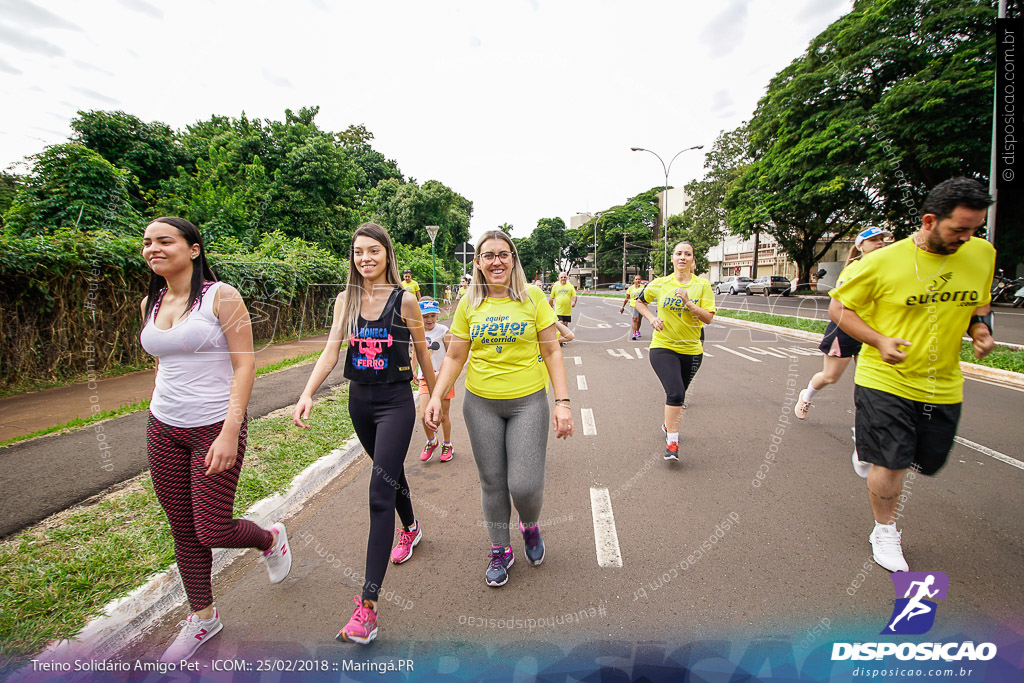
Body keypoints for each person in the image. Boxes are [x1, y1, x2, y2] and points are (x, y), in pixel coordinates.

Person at [140, 217, 292, 663]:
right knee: (183, 529)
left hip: (214, 427)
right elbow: (162, 361)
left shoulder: (222, 297)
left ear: (193, 249)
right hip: (163, 426)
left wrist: (230, 430)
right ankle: (203, 618)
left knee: (210, 528)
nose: (153, 248)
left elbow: (245, 366)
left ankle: (269, 539)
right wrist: (163, 406)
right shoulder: (149, 301)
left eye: (164, 240)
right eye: (147, 242)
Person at [829, 178, 995, 573]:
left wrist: (981, 331)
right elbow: (839, 310)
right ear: (929, 221)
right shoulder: (881, 262)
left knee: (929, 460)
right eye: (959, 230)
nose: (966, 238)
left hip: (943, 382)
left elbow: (979, 305)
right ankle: (884, 530)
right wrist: (879, 340)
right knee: (893, 461)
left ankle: (870, 451)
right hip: (885, 378)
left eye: (974, 229)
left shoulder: (981, 254)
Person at [292, 223, 435, 644]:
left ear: (388, 254)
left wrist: (434, 397)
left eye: (373, 251)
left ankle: (367, 609)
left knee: (378, 492)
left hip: (395, 402)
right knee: (388, 474)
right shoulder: (346, 300)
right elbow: (331, 350)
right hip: (360, 401)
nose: (365, 258)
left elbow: (423, 351)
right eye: (358, 252)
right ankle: (410, 527)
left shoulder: (404, 300)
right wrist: (306, 393)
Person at [424, 230, 573, 588]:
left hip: (528, 402)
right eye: (488, 255)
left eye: (503, 254)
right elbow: (456, 355)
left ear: (513, 259)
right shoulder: (469, 302)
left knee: (523, 485)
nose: (496, 261)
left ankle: (530, 526)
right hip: (481, 404)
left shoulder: (534, 297)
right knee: (492, 482)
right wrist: (435, 395)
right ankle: (500, 550)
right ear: (477, 263)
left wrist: (562, 402)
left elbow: (552, 351)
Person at [794, 227, 891, 420]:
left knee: (871, 382)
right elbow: (838, 307)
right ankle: (806, 396)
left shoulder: (892, 269)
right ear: (860, 246)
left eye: (882, 239)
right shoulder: (853, 270)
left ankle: (867, 424)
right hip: (845, 329)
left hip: (874, 332)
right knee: (830, 377)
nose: (880, 243)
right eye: (873, 240)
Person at [634, 241, 716, 461]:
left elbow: (708, 318)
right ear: (672, 258)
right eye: (678, 253)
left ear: (692, 260)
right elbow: (640, 302)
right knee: (676, 393)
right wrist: (651, 318)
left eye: (687, 254)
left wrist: (690, 304)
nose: (682, 257)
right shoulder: (661, 284)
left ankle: (667, 424)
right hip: (663, 347)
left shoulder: (702, 285)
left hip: (692, 350)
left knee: (678, 395)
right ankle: (672, 442)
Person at [411, 297, 455, 463]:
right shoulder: (416, 330)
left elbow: (452, 355)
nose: (429, 320)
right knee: (423, 415)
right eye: (425, 316)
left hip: (443, 378)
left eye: (432, 316)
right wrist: (413, 368)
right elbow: (416, 352)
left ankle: (447, 444)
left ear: (437, 315)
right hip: (424, 379)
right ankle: (431, 441)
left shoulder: (444, 330)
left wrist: (445, 374)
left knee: (443, 415)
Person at [620, 275, 645, 340]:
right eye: (636, 279)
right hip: (633, 305)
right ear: (634, 280)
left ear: (641, 280)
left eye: (639, 279)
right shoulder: (630, 288)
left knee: (639, 320)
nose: (637, 280)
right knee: (635, 319)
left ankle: (637, 331)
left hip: (642, 305)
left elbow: (646, 296)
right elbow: (626, 298)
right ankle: (634, 334)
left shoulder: (643, 288)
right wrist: (623, 307)